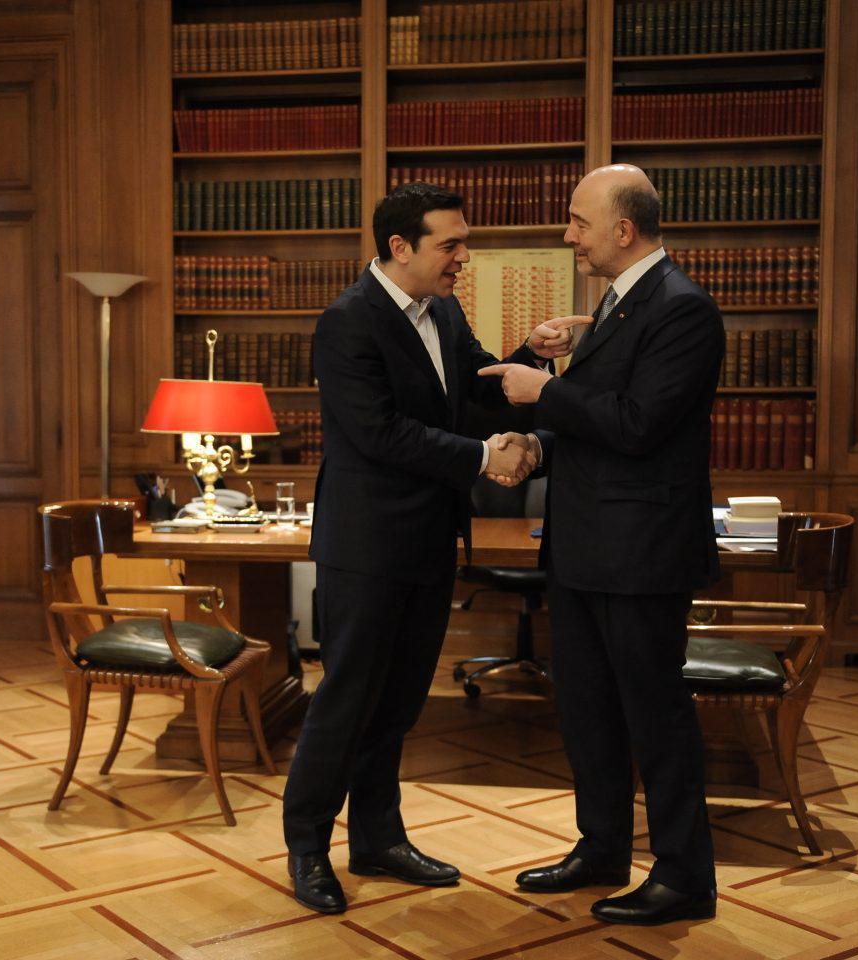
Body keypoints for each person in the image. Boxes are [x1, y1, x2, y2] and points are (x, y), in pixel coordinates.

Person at [281, 181, 539, 915]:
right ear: (400, 247)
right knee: (347, 701)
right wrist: (483, 457)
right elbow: (379, 433)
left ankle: (377, 839)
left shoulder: (444, 310)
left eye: (464, 243)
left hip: (430, 538)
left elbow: (476, 394)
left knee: (398, 702)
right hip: (365, 545)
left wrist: (532, 356)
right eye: (449, 245)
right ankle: (307, 848)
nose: (463, 258)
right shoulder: (347, 321)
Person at [479, 164, 725, 925]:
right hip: (586, 547)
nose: (568, 236)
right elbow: (599, 431)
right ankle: (602, 849)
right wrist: (538, 444)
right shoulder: (617, 304)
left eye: (579, 223)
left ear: (623, 229)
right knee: (587, 711)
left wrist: (545, 391)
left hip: (640, 554)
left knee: (654, 717)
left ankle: (683, 876)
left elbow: (639, 426)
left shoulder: (682, 308)